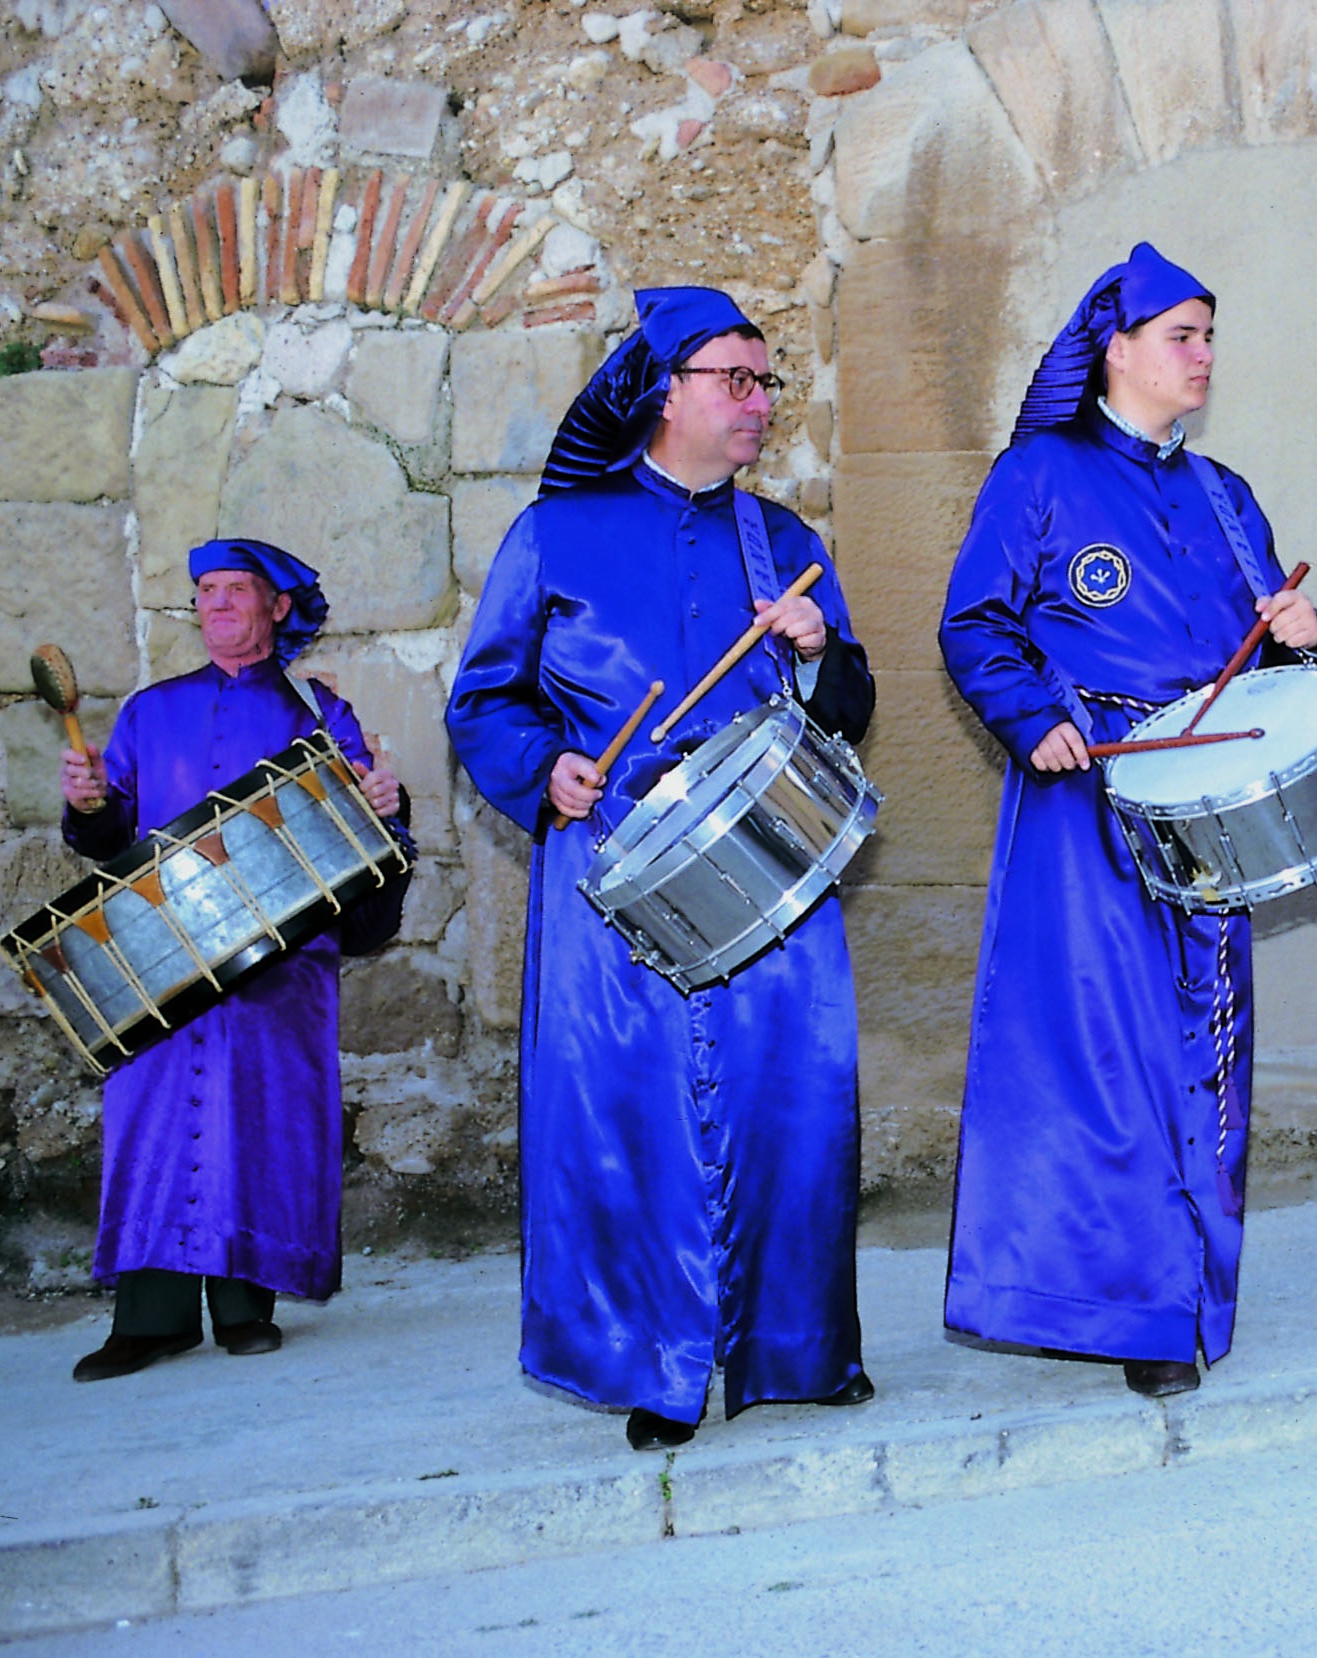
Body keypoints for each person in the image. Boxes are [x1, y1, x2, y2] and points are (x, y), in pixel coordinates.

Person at [446, 287, 876, 1451]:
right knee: (625, 1111)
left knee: (794, 1097)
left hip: (767, 863)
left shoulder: (782, 542)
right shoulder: (555, 535)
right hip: (612, 868)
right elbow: (485, 699)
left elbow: (847, 713)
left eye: (764, 381)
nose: (757, 403)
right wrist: (546, 769)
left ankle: (796, 1349)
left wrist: (819, 648)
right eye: (733, 380)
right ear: (661, 391)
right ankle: (653, 1361)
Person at [937, 243, 1317, 1397]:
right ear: (1114, 347)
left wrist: (1306, 635)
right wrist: (1024, 714)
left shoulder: (1226, 493)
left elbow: (1270, 651)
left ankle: (1196, 1290)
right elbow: (975, 626)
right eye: (1182, 336)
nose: (1204, 356)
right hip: (1088, 800)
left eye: (1210, 336)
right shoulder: (1038, 475)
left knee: (1207, 1044)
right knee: (1099, 1054)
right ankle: (1124, 1305)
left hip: (1210, 804)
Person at [59, 539, 407, 1381]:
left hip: (278, 974)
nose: (214, 605)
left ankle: (248, 1306)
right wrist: (91, 805)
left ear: (276, 607)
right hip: (160, 962)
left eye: (234, 591)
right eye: (203, 592)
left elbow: (369, 839)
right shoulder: (148, 710)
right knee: (149, 1126)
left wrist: (390, 814)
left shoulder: (320, 714)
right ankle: (151, 1320)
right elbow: (107, 843)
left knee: (261, 1125)